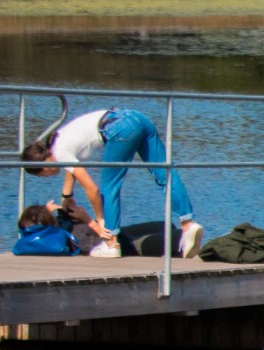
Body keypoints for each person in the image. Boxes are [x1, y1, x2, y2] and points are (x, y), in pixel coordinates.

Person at [20, 108, 203, 257]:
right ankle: (188, 224)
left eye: (43, 175)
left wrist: (100, 220)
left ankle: (111, 243)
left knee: (110, 186)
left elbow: (92, 188)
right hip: (136, 117)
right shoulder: (58, 140)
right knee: (165, 175)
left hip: (117, 128)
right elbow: (72, 169)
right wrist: (67, 196)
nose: (48, 177)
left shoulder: (59, 154)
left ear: (42, 165)